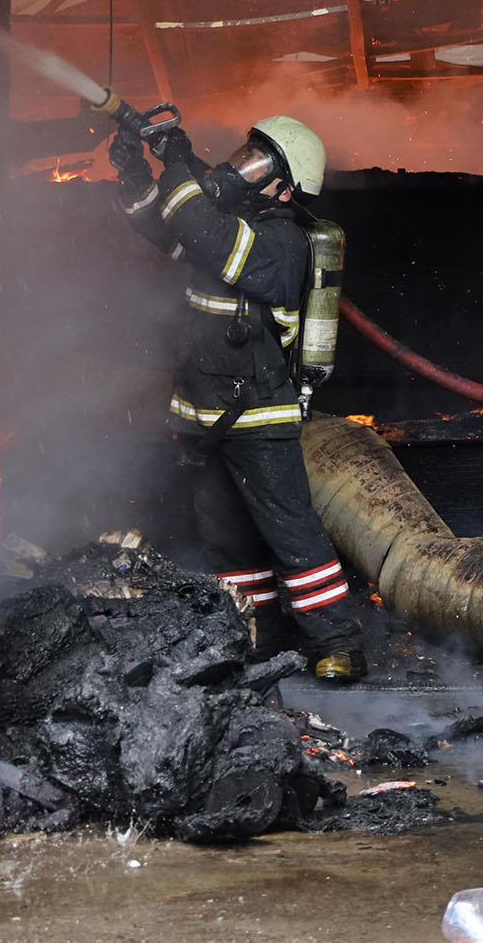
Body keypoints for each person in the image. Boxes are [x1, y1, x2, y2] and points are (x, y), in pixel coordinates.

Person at [111, 115, 366, 682]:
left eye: (259, 161)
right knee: (226, 540)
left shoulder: (282, 241)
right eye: (247, 153)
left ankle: (340, 645)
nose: (241, 166)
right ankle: (258, 639)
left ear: (285, 186)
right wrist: (134, 173)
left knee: (292, 533)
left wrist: (176, 159)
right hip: (205, 416)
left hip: (258, 413)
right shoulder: (230, 223)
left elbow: (203, 231)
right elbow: (166, 226)